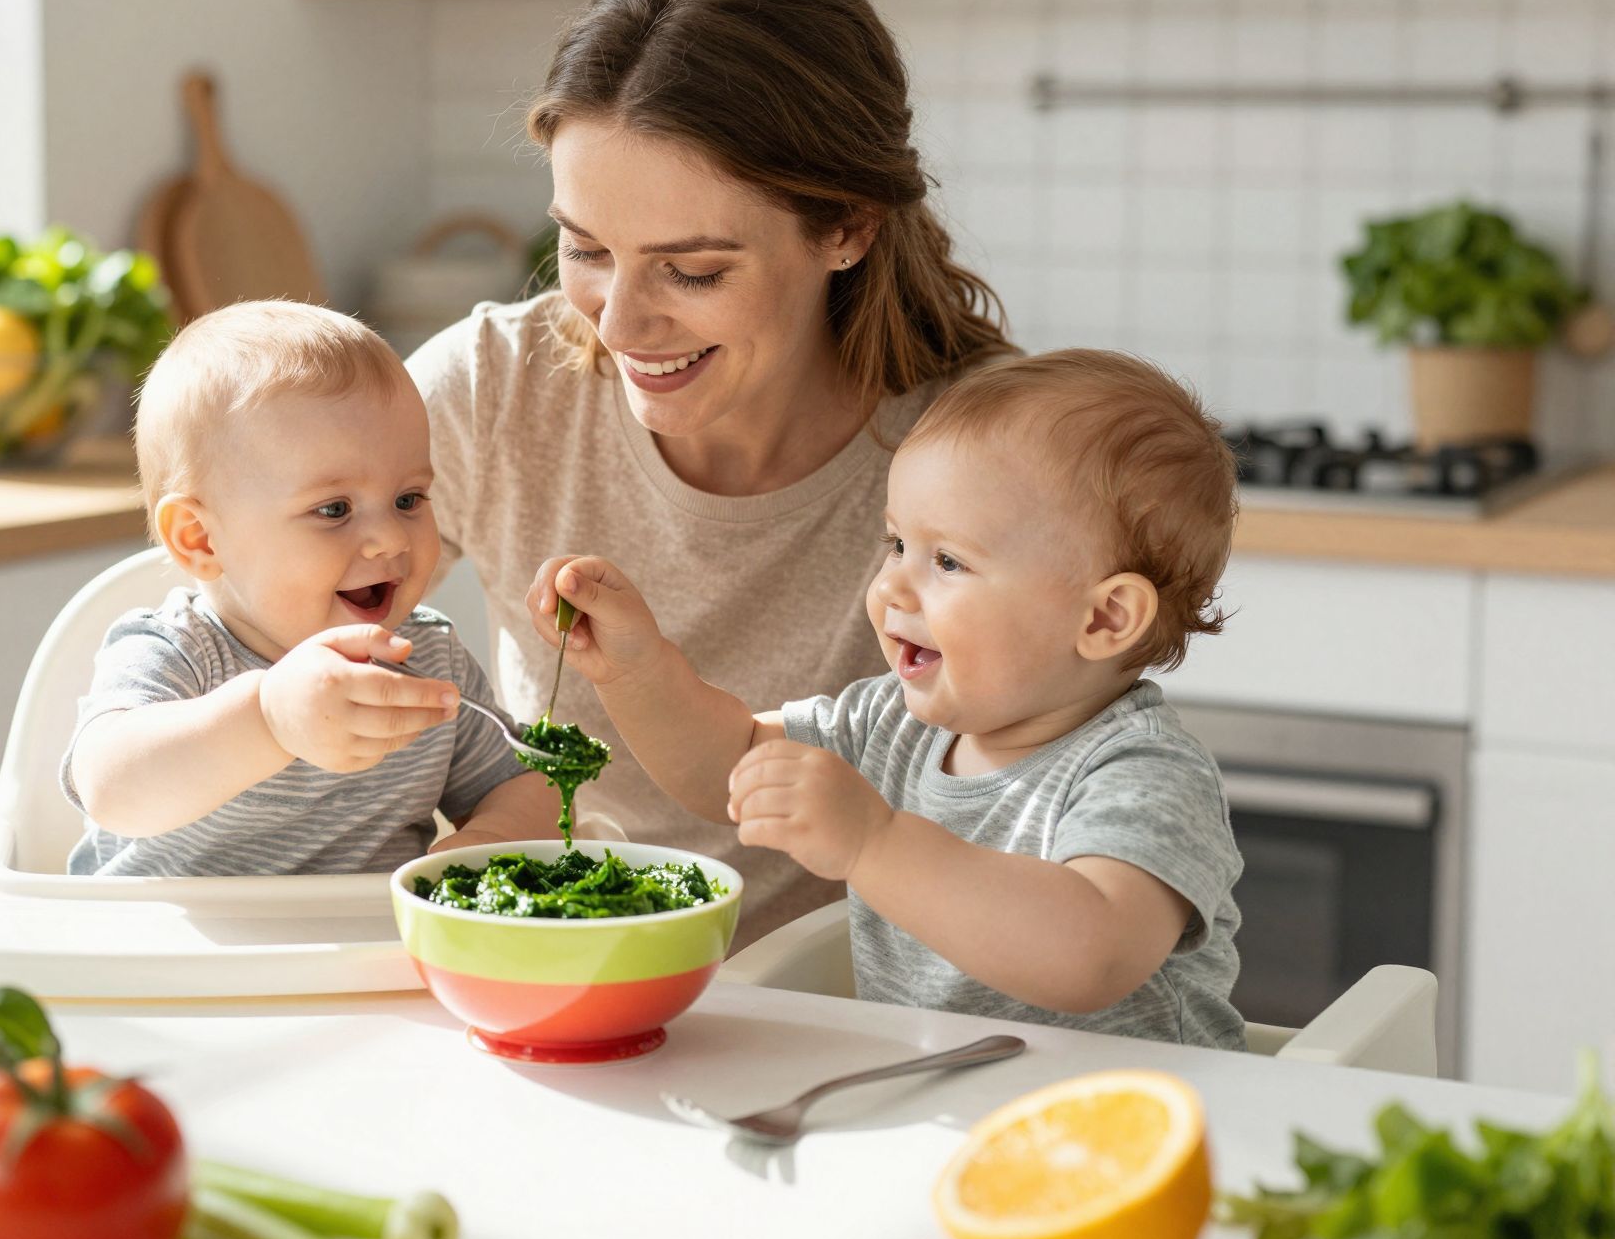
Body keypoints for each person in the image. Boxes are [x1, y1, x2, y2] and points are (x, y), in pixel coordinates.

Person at [408, 0, 1013, 947]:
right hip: (554, 965)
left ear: (846, 229)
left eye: (691, 271)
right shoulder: (494, 391)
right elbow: (234, 634)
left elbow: (1035, 813)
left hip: (852, 1015)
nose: (617, 324)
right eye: (585, 250)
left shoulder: (980, 452)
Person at [528, 351, 1247, 1048]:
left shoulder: (1144, 773)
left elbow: (1091, 955)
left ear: (1104, 619)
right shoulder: (890, 722)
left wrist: (874, 841)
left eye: (947, 561)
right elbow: (731, 766)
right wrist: (635, 669)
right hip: (947, 1103)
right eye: (896, 543)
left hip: (1138, 1127)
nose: (892, 586)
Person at [62, 301, 558, 878]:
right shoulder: (177, 654)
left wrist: (491, 838)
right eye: (334, 509)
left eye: (408, 499)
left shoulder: (426, 660)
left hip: (361, 957)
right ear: (200, 538)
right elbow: (111, 787)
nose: (388, 539)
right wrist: (268, 718)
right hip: (170, 956)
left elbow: (526, 784)